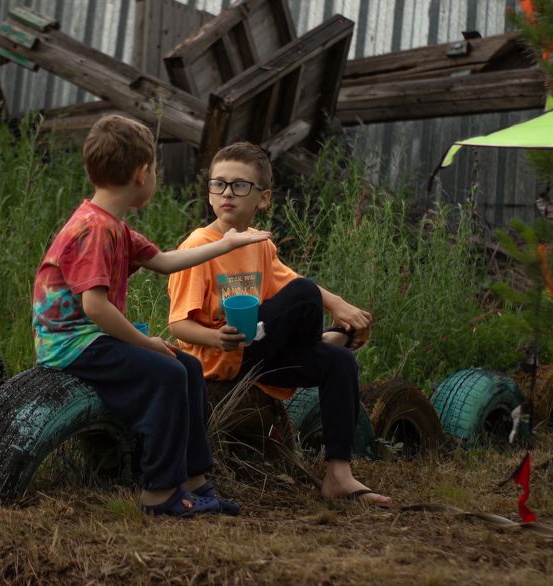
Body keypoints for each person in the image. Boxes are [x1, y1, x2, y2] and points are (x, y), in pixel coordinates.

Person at [33, 115, 271, 518]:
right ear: (142, 174)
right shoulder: (93, 229)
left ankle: (195, 480)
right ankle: (159, 493)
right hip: (71, 344)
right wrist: (144, 343)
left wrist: (226, 243)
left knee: (188, 367)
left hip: (93, 338)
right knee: (168, 372)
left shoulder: (114, 226)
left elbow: (164, 261)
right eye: (156, 169)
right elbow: (94, 306)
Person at [167, 142, 391, 507]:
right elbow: (178, 325)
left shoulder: (259, 244)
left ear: (263, 198)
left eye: (240, 186)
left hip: (257, 354)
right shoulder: (199, 246)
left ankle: (339, 473)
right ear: (209, 193)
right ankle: (323, 340)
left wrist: (337, 302)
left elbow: (289, 286)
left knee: (341, 362)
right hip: (221, 357)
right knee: (305, 294)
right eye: (218, 184)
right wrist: (215, 337)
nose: (227, 193)